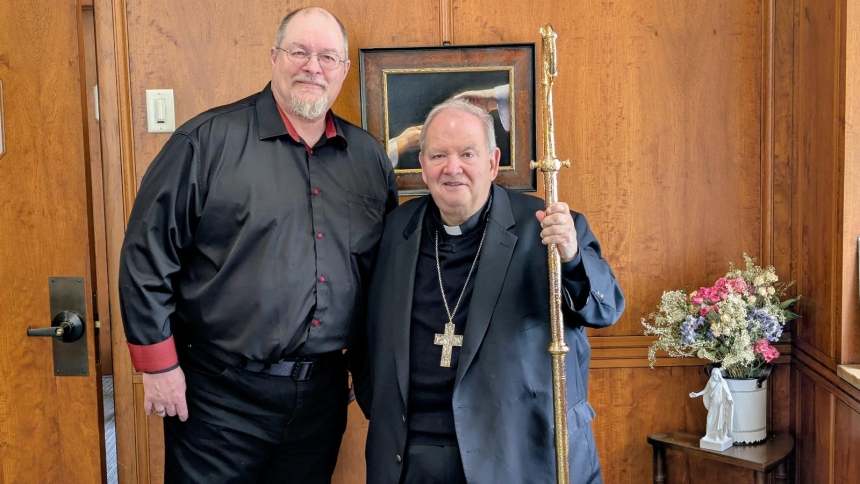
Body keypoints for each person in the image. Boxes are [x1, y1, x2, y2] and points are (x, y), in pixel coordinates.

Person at [118, 7, 397, 483]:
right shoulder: (205, 142)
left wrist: (364, 366)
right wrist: (158, 366)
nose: (314, 66)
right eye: (300, 52)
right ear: (273, 57)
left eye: (328, 56)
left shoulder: (369, 159)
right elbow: (147, 254)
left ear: (344, 71)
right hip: (218, 399)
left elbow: (381, 275)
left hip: (321, 399)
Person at [354, 98, 625, 484]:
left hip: (518, 455)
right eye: (438, 155)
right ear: (423, 165)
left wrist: (571, 257)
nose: (453, 168)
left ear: (493, 162)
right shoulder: (395, 231)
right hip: (411, 455)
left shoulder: (546, 229)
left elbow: (606, 309)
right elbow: (368, 335)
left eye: (467, 153)